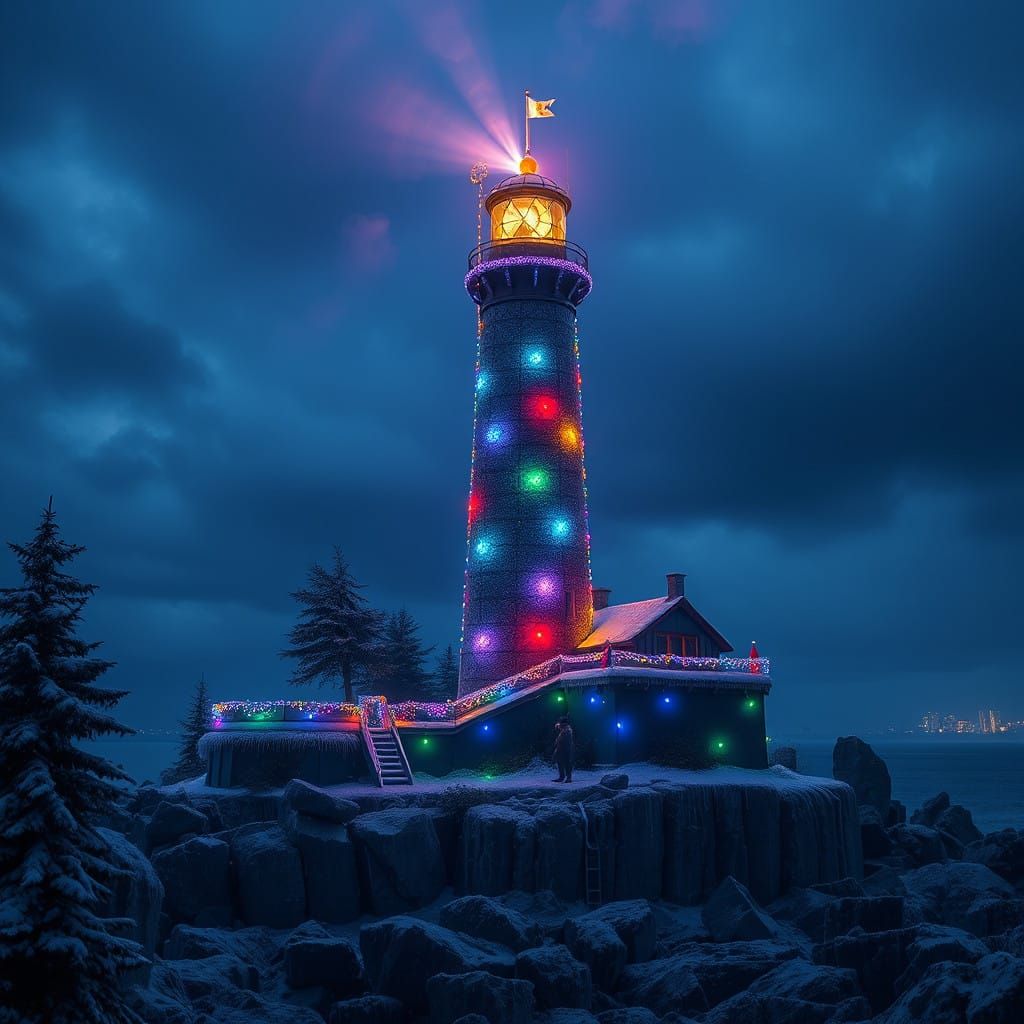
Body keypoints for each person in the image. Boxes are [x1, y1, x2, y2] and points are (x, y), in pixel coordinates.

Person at [552, 715, 574, 783]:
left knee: (567, 763)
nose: (559, 724)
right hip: (560, 749)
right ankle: (562, 777)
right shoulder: (564, 729)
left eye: (561, 722)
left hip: (566, 749)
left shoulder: (567, 729)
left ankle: (568, 778)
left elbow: (564, 740)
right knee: (560, 763)